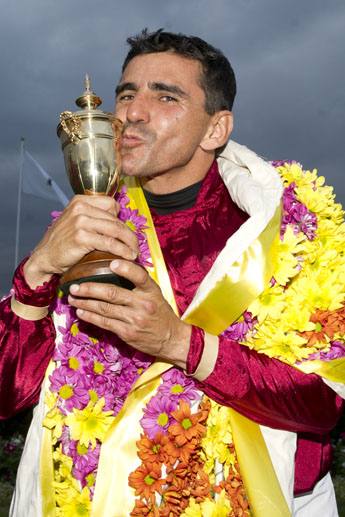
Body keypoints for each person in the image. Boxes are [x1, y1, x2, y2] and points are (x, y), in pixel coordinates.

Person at [1, 29, 344, 516]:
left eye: (166, 96)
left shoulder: (291, 229)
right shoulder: (83, 231)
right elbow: (4, 393)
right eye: (126, 93)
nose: (133, 113)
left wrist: (179, 342)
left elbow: (321, 404)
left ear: (215, 129)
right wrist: (36, 270)